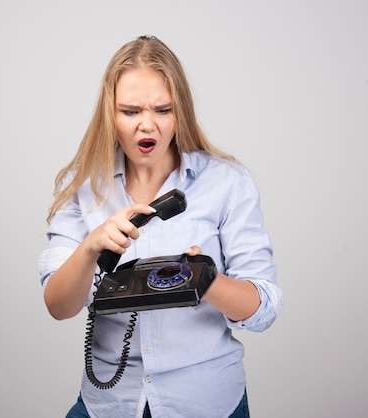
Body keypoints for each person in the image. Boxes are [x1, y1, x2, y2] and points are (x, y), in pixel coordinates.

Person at [38, 35, 283, 418]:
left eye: (163, 110)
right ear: (110, 114)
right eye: (131, 111)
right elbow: (57, 305)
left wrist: (204, 279)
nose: (146, 125)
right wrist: (90, 249)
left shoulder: (227, 182)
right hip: (111, 403)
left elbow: (264, 307)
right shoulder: (84, 186)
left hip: (206, 401)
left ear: (179, 112)